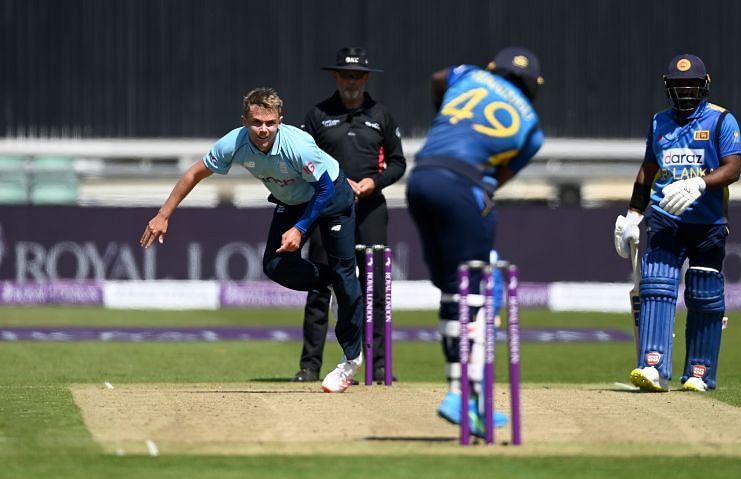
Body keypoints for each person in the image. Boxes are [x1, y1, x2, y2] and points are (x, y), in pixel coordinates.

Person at [139, 87, 364, 393]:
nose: (263, 130)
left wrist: (299, 228)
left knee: (345, 272)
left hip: (331, 196)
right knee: (275, 266)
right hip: (292, 199)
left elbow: (324, 189)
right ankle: (330, 282)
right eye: (257, 122)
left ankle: (350, 359)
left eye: (270, 123)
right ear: (244, 119)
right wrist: (164, 214)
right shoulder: (235, 142)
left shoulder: (298, 145)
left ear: (280, 121)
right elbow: (194, 173)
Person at [405, 47, 545, 436]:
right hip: (463, 187)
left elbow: (437, 78)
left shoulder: (467, 75)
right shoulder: (532, 128)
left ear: (493, 69)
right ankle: (461, 396)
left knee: (452, 289)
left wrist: (443, 117)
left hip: (422, 177)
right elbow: (497, 180)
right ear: (534, 87)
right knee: (475, 291)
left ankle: (469, 398)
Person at [614, 54, 741, 393]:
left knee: (704, 295)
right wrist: (633, 215)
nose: (684, 91)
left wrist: (700, 183)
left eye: (691, 85)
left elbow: (733, 168)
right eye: (677, 85)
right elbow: (648, 169)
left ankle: (699, 372)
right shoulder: (659, 123)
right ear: (667, 87)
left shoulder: (721, 121)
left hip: (707, 222)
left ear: (704, 85)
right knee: (656, 287)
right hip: (665, 218)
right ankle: (653, 366)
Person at [293, 47, 407, 384]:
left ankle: (379, 365)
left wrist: (374, 181)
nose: (351, 81)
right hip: (328, 207)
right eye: (346, 75)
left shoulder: (381, 115)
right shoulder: (318, 115)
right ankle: (310, 365)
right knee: (320, 285)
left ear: (366, 78)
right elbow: (301, 160)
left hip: (371, 207)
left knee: (375, 288)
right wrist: (336, 184)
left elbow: (399, 163)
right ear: (336, 77)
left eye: (357, 76)